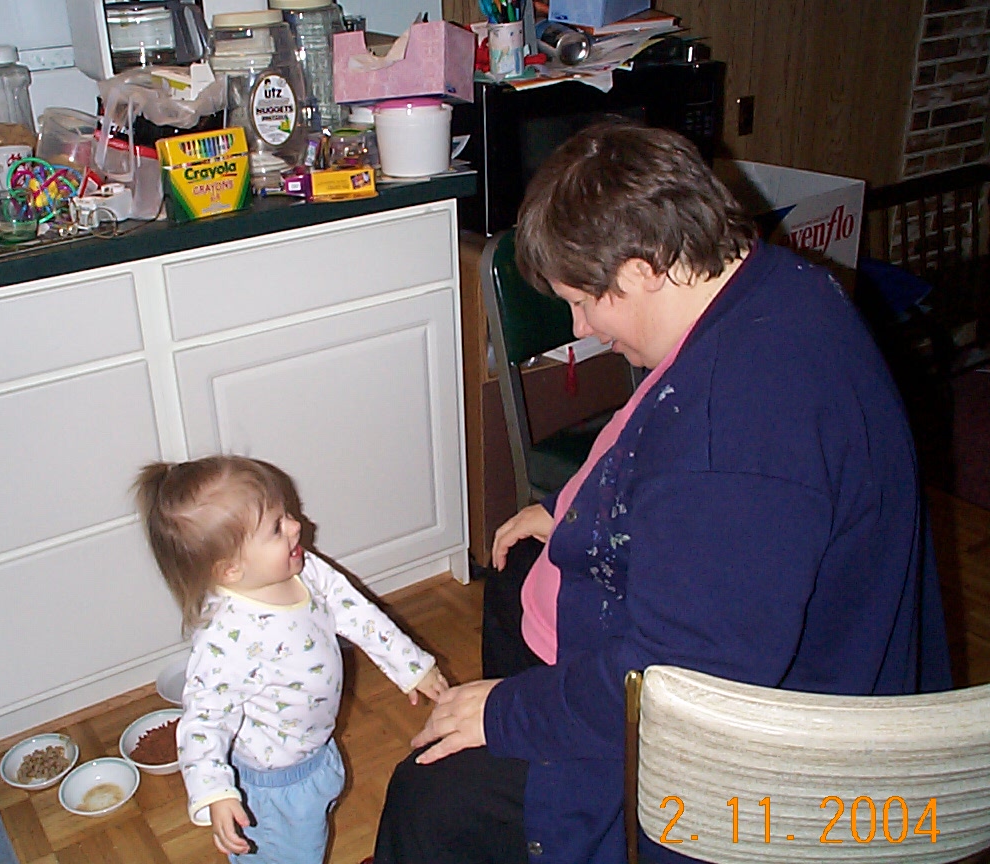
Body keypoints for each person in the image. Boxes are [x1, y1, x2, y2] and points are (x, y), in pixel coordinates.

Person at [372, 120, 952, 864]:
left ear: (645, 269)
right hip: (763, 648)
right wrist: (577, 505)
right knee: (514, 579)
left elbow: (682, 686)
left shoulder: (733, 433)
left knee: (432, 797)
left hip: (764, 764)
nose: (582, 327)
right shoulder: (776, 285)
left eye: (585, 302)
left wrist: (508, 713)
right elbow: (660, 442)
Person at [134, 455, 448, 863]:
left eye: (285, 513)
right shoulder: (226, 639)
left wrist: (411, 667)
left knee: (310, 838)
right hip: (270, 790)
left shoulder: (304, 571)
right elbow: (204, 719)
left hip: (314, 754)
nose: (296, 525)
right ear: (230, 570)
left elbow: (357, 612)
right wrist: (215, 792)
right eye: (276, 527)